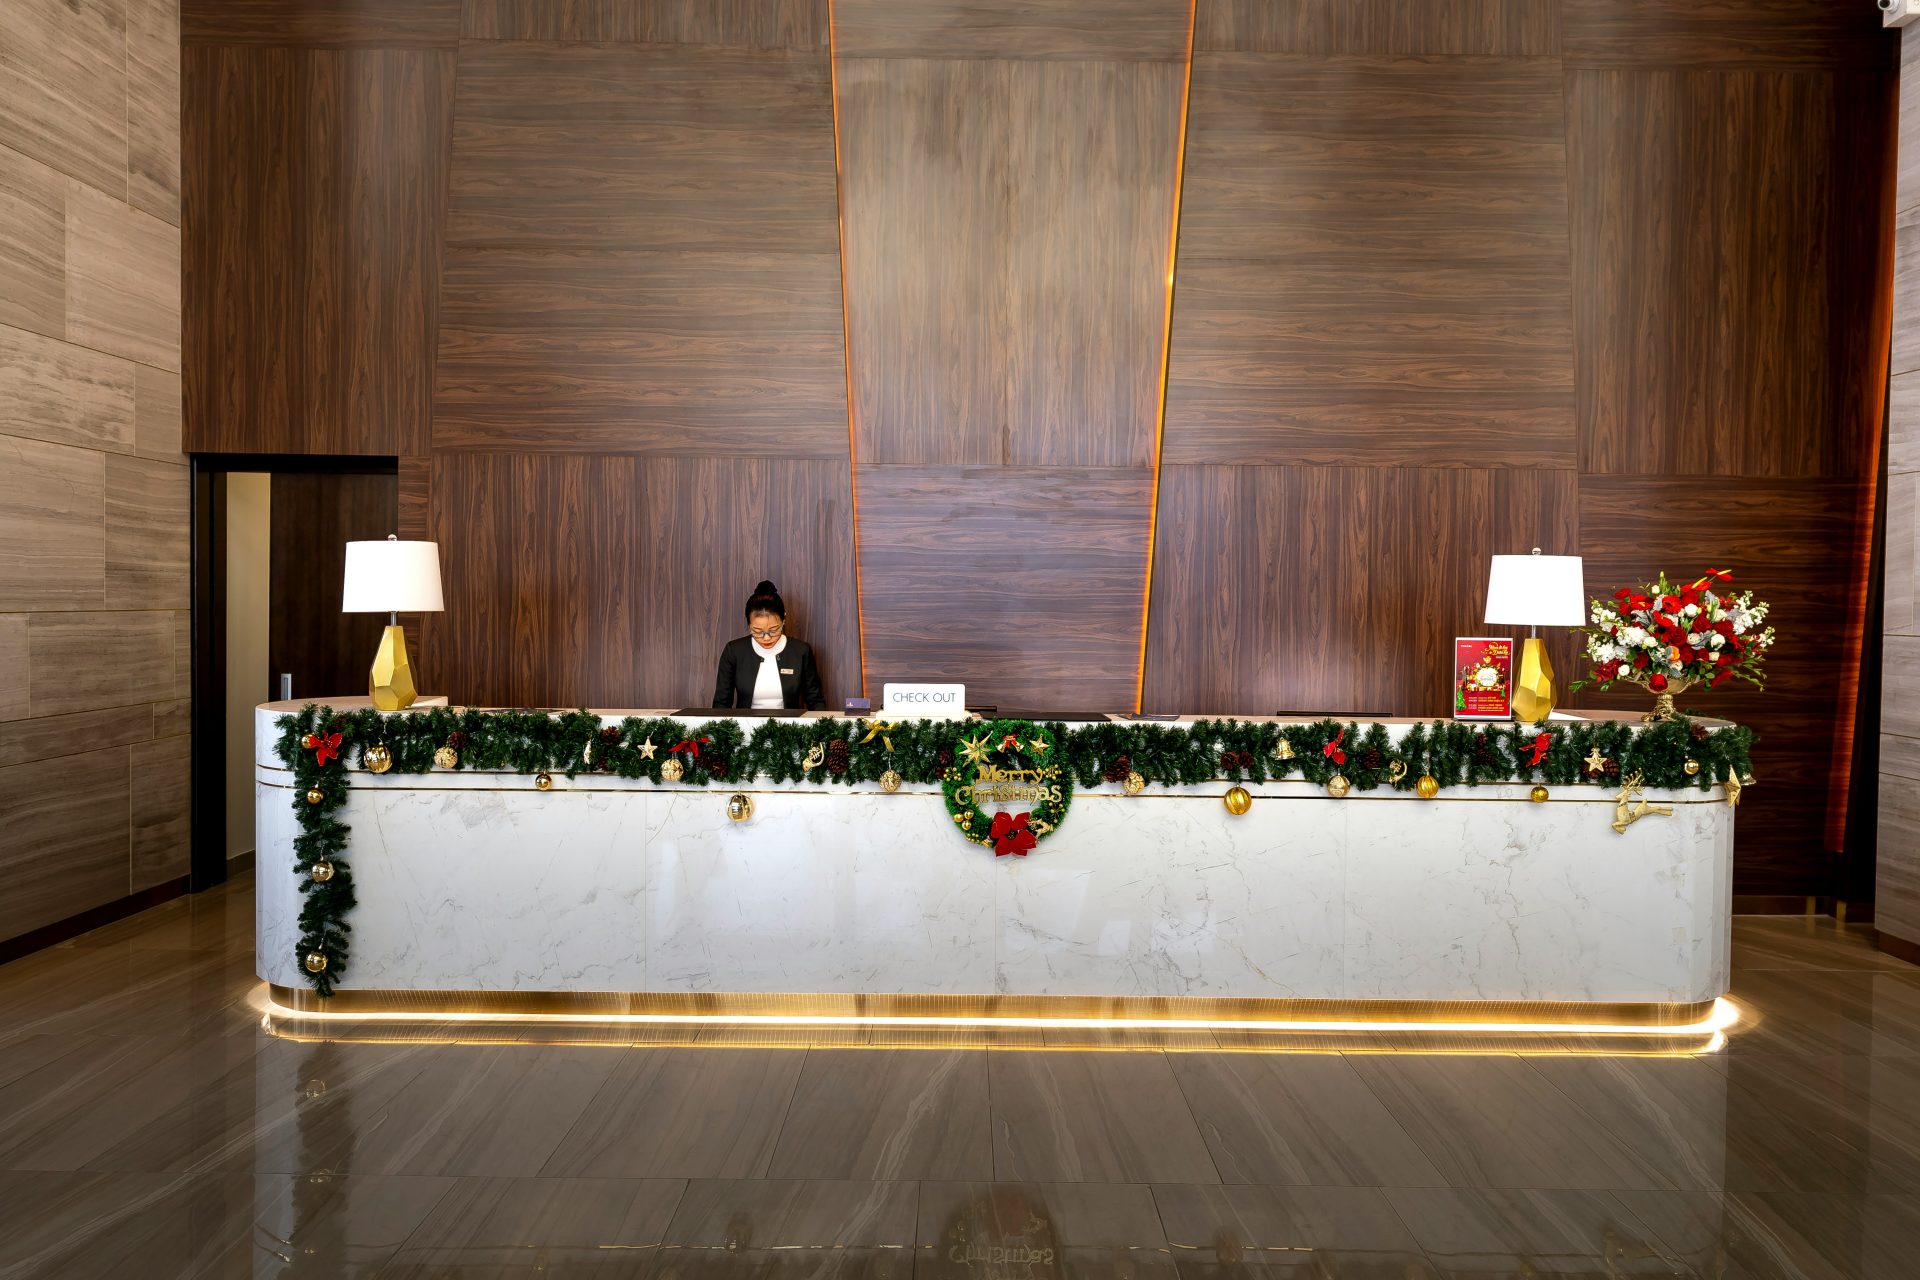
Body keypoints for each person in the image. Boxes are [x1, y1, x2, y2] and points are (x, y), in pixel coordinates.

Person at [712, 580, 826, 711]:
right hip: (745, 727)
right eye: (757, 631)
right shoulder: (734, 651)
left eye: (773, 630)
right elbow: (721, 703)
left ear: (784, 619)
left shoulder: (801, 651)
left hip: (790, 728)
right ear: (748, 624)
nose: (766, 638)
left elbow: (815, 700)